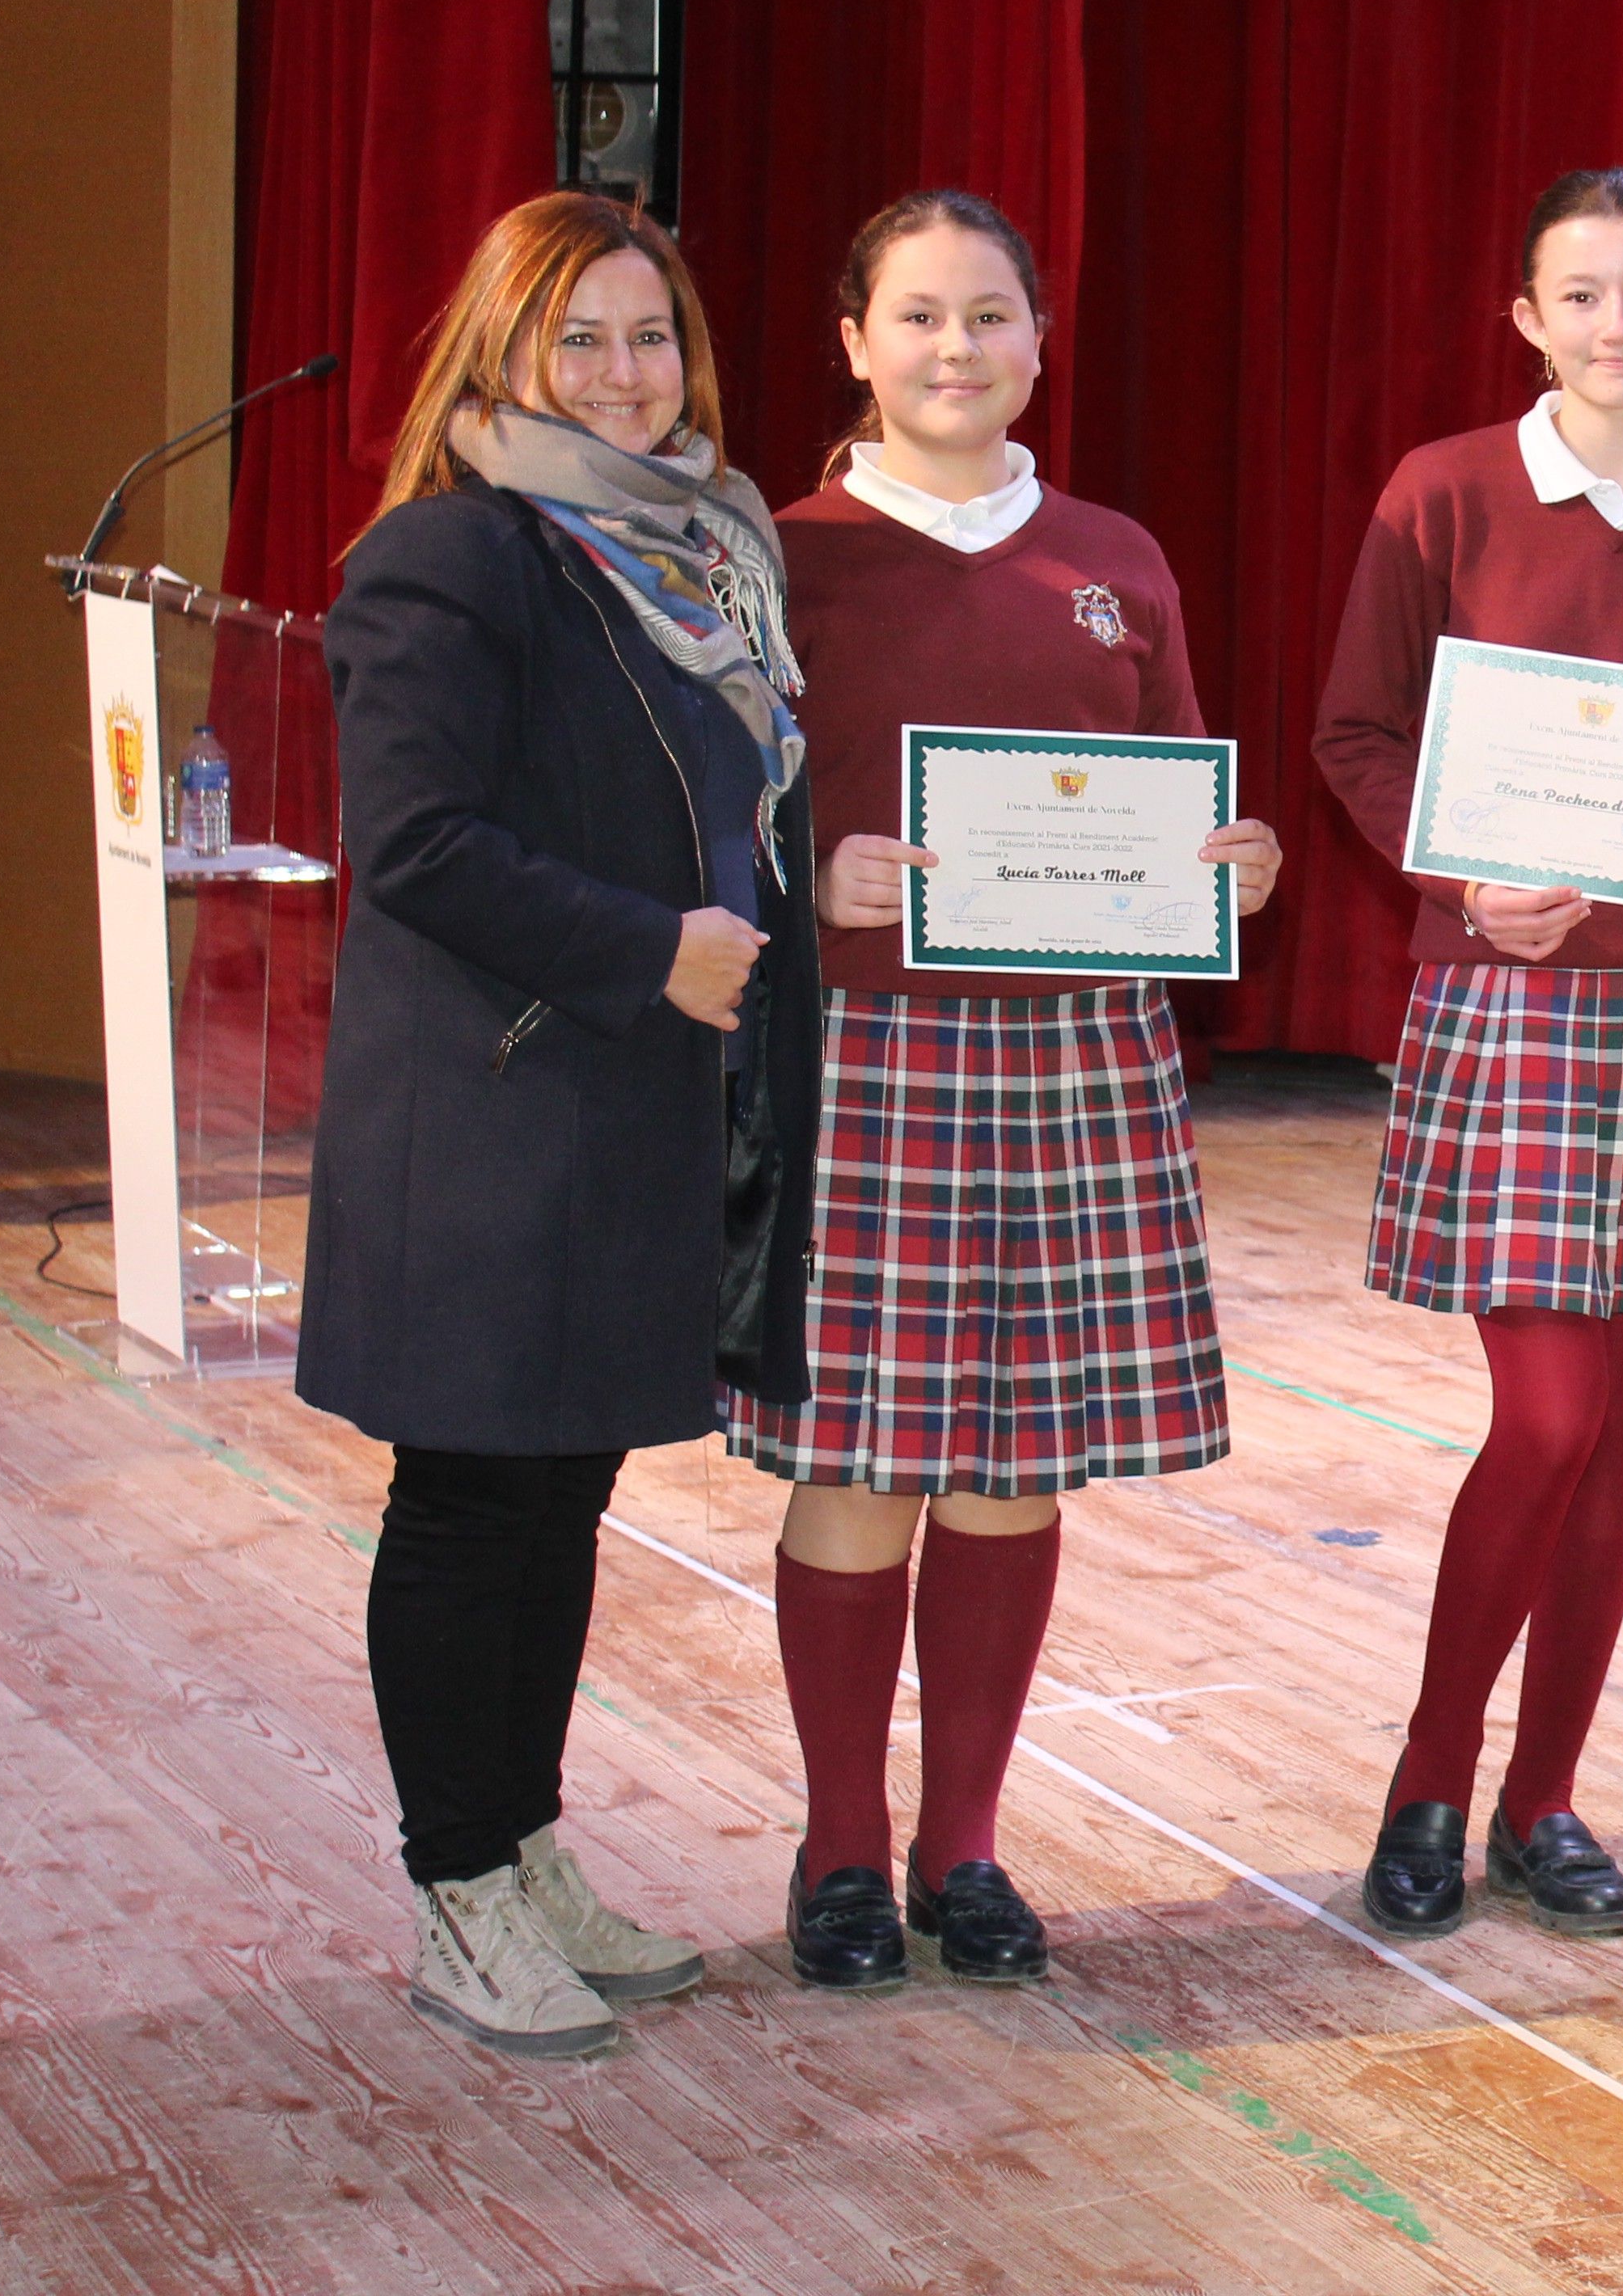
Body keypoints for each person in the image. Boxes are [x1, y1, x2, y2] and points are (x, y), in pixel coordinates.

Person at [725, 190, 1283, 1993]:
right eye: (916, 315)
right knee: (856, 1465)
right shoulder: (780, 559)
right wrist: (803, 879)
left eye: (988, 315)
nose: (954, 348)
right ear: (853, 342)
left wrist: (1235, 862)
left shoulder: (1115, 555)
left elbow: (1175, 786)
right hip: (866, 1050)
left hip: (1076, 1051)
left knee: (1011, 1470)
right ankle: (838, 1846)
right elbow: (700, 816)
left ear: (1040, 339)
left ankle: (962, 1845)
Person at [301, 190, 820, 2059]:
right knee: (469, 1500)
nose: (622, 371)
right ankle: (458, 1891)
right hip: (490, 1113)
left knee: (560, 1493)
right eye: (578, 337)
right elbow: (419, 845)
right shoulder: (450, 554)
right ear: (503, 352)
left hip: (633, 1101)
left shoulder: (701, 550)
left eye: (649, 334)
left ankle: (521, 1851)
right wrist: (643, 950)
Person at [1313, 167, 1623, 1941]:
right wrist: (1461, 876)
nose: (1619, 323)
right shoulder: (1445, 492)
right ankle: (1430, 1780)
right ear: (1527, 318)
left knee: (1622, 1438)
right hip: (1509, 1000)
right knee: (1550, 1416)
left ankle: (1545, 1801)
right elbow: (1358, 734)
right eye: (1582, 294)